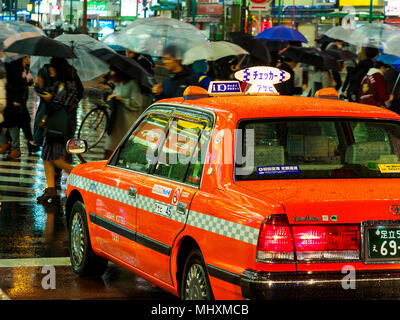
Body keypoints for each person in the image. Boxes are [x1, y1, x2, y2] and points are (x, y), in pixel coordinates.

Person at [37, 58, 83, 204]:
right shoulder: (62, 83)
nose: (50, 70)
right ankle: (51, 189)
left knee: (56, 159)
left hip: (60, 127)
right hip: (60, 126)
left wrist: (50, 98)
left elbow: (59, 104)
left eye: (52, 67)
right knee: (47, 157)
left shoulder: (66, 85)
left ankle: (80, 176)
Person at [104, 67, 153, 159]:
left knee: (122, 149)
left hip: (127, 122)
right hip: (116, 122)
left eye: (113, 72)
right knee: (109, 148)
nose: (111, 74)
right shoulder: (118, 85)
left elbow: (137, 103)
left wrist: (121, 99)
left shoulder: (132, 84)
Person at [3, 56, 40, 158]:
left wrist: (28, 77)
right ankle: (16, 144)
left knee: (20, 123)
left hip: (21, 101)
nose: (29, 59)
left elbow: (29, 83)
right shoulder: (15, 68)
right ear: (23, 58)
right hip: (16, 101)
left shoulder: (26, 69)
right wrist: (15, 99)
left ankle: (13, 145)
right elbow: (14, 83)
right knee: (18, 122)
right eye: (28, 57)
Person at [33, 60, 58, 148]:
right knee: (40, 122)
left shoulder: (60, 74)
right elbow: (39, 88)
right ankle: (37, 142)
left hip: (53, 106)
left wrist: (51, 95)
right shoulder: (44, 70)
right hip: (46, 105)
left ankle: (40, 143)